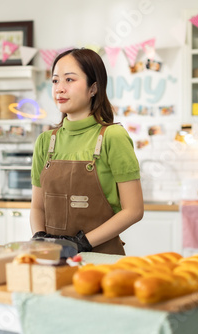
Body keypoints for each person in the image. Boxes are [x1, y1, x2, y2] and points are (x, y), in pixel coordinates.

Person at [30, 48, 144, 255]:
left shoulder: (113, 136)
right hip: (53, 257)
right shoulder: (45, 141)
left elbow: (134, 210)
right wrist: (39, 237)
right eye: (55, 81)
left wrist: (81, 243)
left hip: (101, 259)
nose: (59, 89)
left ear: (93, 88)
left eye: (69, 80)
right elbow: (38, 207)